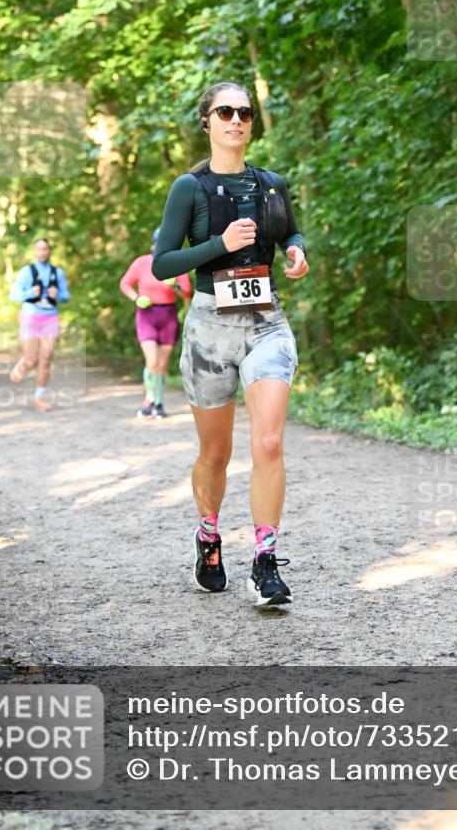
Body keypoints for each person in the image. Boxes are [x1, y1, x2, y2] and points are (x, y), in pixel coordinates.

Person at [153, 81, 309, 608]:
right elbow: (161, 263)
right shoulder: (188, 188)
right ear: (207, 122)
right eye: (226, 111)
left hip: (266, 321)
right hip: (208, 329)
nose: (237, 119)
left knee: (267, 443)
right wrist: (220, 245)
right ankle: (209, 537)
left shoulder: (271, 184)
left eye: (245, 112)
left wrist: (295, 251)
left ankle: (264, 562)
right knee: (215, 452)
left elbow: (292, 232)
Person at [119, 228, 192, 418]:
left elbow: (185, 292)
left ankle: (159, 404)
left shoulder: (177, 263)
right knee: (152, 361)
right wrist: (136, 298)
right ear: (154, 243)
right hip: (146, 314)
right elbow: (125, 283)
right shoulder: (142, 262)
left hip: (168, 314)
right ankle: (149, 399)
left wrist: (174, 285)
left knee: (162, 364)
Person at [8, 238, 70, 412]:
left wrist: (57, 294)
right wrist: (29, 293)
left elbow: (66, 297)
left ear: (49, 251)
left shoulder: (57, 272)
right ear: (34, 251)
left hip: (51, 318)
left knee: (46, 359)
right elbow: (13, 295)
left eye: (45, 249)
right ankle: (23, 365)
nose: (42, 252)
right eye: (39, 249)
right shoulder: (27, 272)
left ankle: (39, 398)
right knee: (31, 359)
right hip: (31, 317)